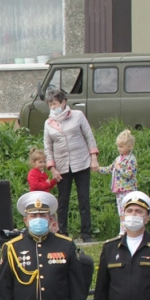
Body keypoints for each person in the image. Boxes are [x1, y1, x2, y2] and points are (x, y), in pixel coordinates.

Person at [43, 88, 99, 242]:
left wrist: (93, 158)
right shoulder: (48, 123)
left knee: (84, 200)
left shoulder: (77, 116)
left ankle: (86, 234)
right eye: (51, 105)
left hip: (81, 162)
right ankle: (62, 233)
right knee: (63, 201)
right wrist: (52, 168)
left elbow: (89, 136)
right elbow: (47, 146)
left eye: (55, 103)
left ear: (63, 102)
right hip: (62, 166)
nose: (53, 107)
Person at [94, 129, 138, 234]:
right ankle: (123, 230)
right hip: (119, 190)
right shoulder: (118, 159)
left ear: (130, 147)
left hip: (128, 189)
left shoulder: (131, 159)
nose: (119, 149)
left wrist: (119, 169)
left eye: (122, 147)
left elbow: (129, 174)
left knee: (128, 209)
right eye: (118, 146)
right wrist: (99, 169)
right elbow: (110, 168)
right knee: (121, 211)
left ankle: (130, 229)